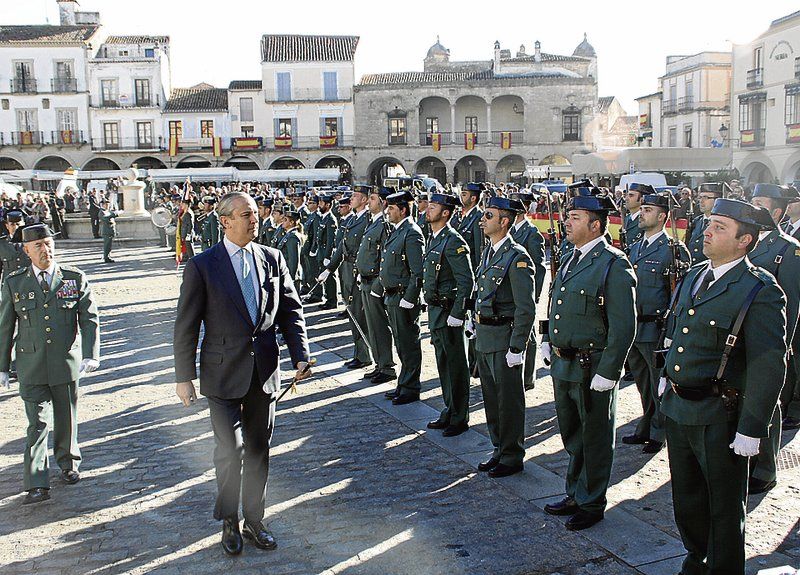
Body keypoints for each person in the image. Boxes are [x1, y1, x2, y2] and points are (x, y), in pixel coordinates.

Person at [173, 191, 312, 556]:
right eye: (246, 215)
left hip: (264, 372)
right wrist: (183, 376)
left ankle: (254, 520)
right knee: (229, 451)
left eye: (255, 214)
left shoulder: (272, 257)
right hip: (221, 375)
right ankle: (228, 522)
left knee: (258, 450)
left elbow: (290, 312)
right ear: (225, 222)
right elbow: (186, 324)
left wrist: (301, 355)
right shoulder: (203, 265)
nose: (255, 220)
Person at [659, 198, 787, 575]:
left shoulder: (759, 289)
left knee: (724, 507)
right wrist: (668, 373)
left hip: (721, 416)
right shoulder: (696, 274)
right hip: (680, 408)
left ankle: (723, 568)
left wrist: (752, 428)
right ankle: (696, 560)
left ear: (745, 240)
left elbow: (769, 364)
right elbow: (677, 329)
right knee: (687, 499)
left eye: (719, 228)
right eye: (709, 224)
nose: (707, 232)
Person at [540, 192, 636, 531]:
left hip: (592, 366)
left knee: (594, 436)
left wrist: (610, 371)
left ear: (596, 225)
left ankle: (592, 501)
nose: (567, 221)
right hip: (565, 364)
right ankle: (575, 491)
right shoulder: (570, 257)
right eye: (569, 216)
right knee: (573, 434)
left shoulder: (614, 263)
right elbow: (556, 303)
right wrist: (547, 339)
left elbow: (624, 326)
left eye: (576, 217)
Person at [0, 224, 100, 504]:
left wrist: (91, 353)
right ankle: (36, 481)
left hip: (65, 361)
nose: (45, 250)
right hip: (30, 365)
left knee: (66, 417)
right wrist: (2, 365)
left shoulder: (73, 277)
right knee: (37, 423)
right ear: (26, 250)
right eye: (39, 246)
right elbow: (5, 326)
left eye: (48, 243)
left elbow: (89, 317)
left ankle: (69, 464)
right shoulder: (14, 282)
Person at [473, 196, 536, 477]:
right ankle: (498, 448)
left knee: (508, 400)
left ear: (504, 221)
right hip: (485, 334)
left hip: (504, 337)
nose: (483, 220)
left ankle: (512, 455)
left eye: (488, 216)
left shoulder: (517, 256)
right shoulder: (490, 251)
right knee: (491, 398)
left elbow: (526, 307)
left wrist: (518, 346)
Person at [622, 191, 689, 454]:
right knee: (642, 383)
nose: (642, 213)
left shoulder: (673, 249)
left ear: (662, 216)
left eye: (648, 210)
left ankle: (659, 432)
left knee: (658, 382)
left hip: (656, 329)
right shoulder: (636, 247)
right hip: (636, 328)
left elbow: (679, 296)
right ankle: (646, 424)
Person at [746, 183, 800, 494]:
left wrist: (783, 346)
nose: (752, 207)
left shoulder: (788, 249)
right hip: (739, 339)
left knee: (767, 402)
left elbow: (792, 302)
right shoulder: (747, 242)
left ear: (776, 212)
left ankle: (765, 469)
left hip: (767, 341)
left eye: (759, 203)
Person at [423, 192, 474, 436]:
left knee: (455, 366)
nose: (427, 209)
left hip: (448, 312)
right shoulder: (434, 238)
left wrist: (458, 312)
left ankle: (459, 416)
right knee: (444, 364)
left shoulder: (453, 241)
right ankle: (449, 408)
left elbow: (467, 281)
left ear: (446, 213)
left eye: (433, 206)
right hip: (436, 311)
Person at [379, 190, 425, 405]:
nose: (388, 212)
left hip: (403, 297)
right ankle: (403, 383)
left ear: (403, 210)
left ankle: (411, 387)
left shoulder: (412, 232)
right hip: (393, 297)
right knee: (400, 343)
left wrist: (411, 297)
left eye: (391, 208)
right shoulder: (397, 230)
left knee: (409, 345)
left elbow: (418, 270)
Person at [319, 186, 372, 369]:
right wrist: (330, 268)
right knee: (352, 311)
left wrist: (362, 271)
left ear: (364, 200)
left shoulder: (367, 219)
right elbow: (343, 245)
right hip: (346, 269)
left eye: (355, 196)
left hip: (358, 270)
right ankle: (359, 353)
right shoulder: (353, 219)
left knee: (359, 313)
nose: (351, 199)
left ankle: (365, 355)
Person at [357, 187, 398, 385]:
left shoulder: (384, 224)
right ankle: (379, 363)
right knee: (372, 326)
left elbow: (385, 257)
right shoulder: (371, 222)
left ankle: (387, 366)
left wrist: (378, 284)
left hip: (374, 282)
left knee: (380, 326)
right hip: (365, 281)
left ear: (383, 202)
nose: (368, 202)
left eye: (372, 199)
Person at [509, 190, 547, 391]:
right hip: (509, 290)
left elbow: (539, 268)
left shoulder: (531, 233)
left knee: (528, 331)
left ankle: (528, 376)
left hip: (525, 290)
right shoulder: (509, 230)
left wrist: (535, 295)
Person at [780, 194, 800, 430]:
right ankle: (785, 403)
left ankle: (796, 408)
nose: (790, 205)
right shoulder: (786, 228)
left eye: (794, 200)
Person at [687, 184, 724, 264]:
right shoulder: (697, 221)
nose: (701, 201)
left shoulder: (722, 224)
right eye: (700, 197)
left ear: (718, 200)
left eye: (706, 198)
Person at [315, 194, 338, 310]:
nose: (319, 205)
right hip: (321, 252)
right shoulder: (324, 217)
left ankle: (332, 301)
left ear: (328, 205)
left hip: (326, 253)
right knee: (325, 277)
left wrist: (328, 256)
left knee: (329, 277)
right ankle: (328, 299)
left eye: (322, 203)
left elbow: (330, 240)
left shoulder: (330, 219)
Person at [275, 207, 304, 294]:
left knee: (294, 302)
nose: (282, 221)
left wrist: (291, 277)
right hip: (286, 272)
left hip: (291, 274)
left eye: (285, 220)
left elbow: (293, 259)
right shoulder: (288, 235)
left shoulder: (292, 237)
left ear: (291, 223)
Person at [0, 212, 31, 284]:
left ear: (23, 224)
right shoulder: (1, 244)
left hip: (29, 282)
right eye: (12, 224)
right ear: (7, 226)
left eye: (18, 224)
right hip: (10, 284)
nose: (16, 227)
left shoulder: (31, 242)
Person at [621, 183, 645, 250]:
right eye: (626, 195)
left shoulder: (646, 219)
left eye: (631, 196)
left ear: (641, 200)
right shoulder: (627, 218)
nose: (626, 199)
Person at [99, 199, 118, 263]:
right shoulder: (101, 212)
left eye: (108, 204)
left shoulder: (108, 211)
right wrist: (113, 215)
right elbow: (105, 218)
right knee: (107, 245)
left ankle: (108, 256)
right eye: (106, 204)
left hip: (110, 230)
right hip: (106, 231)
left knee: (109, 245)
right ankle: (106, 257)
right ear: (103, 205)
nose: (107, 206)